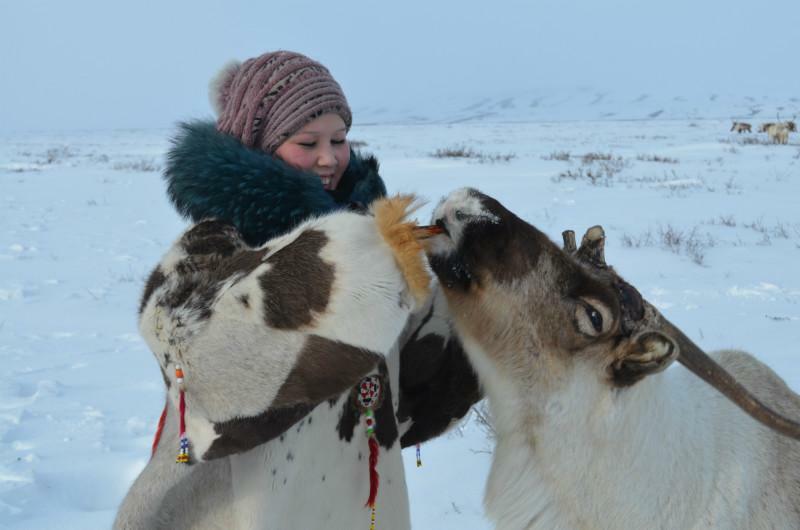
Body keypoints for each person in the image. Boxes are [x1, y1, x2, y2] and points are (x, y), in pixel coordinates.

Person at [114, 50, 480, 530]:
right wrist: (353, 261)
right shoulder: (208, 252)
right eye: (308, 141)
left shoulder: (371, 251)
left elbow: (411, 387)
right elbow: (210, 377)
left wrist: (483, 292)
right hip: (240, 511)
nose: (329, 158)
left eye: (340, 139)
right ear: (259, 144)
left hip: (359, 506)